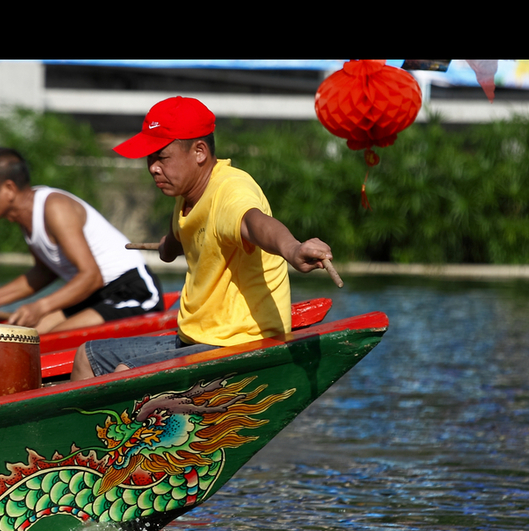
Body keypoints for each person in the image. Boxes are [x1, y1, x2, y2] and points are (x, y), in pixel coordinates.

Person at [71, 96, 334, 381]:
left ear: (199, 152)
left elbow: (255, 223)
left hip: (237, 341)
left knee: (126, 374)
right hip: (195, 337)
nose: (153, 168)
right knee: (87, 356)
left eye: (161, 157)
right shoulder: (187, 193)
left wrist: (293, 248)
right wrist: (168, 248)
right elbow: (180, 234)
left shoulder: (230, 191)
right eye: (150, 158)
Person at [0, 148, 163, 334]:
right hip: (92, 295)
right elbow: (45, 271)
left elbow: (91, 276)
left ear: (9, 189)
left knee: (45, 339)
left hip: (131, 291)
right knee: (23, 335)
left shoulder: (54, 207)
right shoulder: (25, 216)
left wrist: (40, 307)